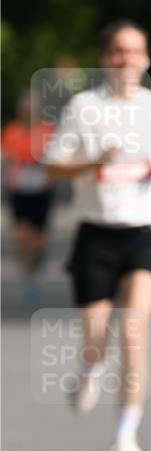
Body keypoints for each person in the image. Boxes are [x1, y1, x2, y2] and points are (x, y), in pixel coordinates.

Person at [44, 20, 151, 451]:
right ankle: (91, 366)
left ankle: (125, 437)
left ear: (146, 59)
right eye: (118, 52)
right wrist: (93, 161)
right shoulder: (84, 108)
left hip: (143, 232)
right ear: (106, 58)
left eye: (136, 52)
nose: (127, 60)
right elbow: (53, 168)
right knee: (96, 338)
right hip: (96, 233)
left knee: (133, 332)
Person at [2, 90, 55, 306]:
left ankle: (40, 255)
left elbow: (56, 155)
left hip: (42, 188)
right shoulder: (11, 131)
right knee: (21, 235)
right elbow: (4, 156)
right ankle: (28, 279)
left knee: (39, 237)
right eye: (25, 107)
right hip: (18, 188)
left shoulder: (47, 130)